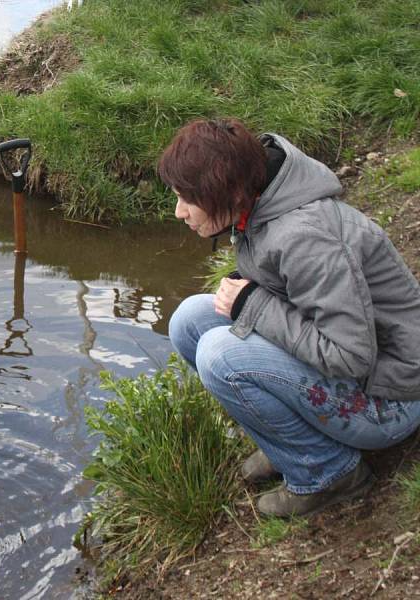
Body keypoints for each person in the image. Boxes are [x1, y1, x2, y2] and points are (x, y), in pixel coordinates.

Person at [159, 119, 420, 517]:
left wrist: (254, 305)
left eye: (187, 200)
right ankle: (289, 445)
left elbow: (351, 357)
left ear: (226, 192)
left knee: (219, 353)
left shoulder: (305, 237)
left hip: (394, 398)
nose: (179, 212)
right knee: (191, 320)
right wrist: (256, 297)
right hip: (369, 373)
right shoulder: (260, 200)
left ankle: (329, 472)